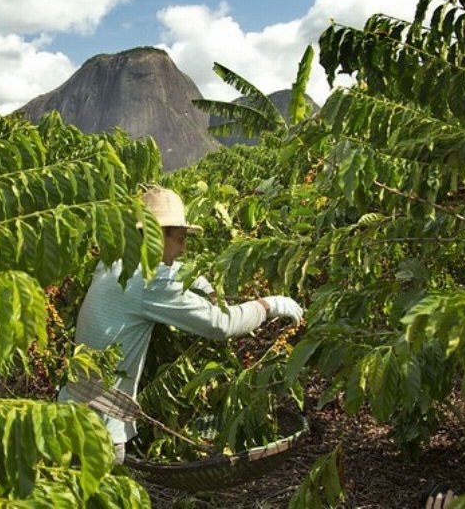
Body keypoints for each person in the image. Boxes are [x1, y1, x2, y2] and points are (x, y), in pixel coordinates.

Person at [58, 186, 304, 464]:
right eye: (180, 238)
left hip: (69, 409)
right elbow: (220, 325)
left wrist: (204, 288)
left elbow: (170, 270)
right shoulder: (149, 282)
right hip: (97, 430)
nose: (184, 247)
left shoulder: (115, 261)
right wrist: (268, 306)